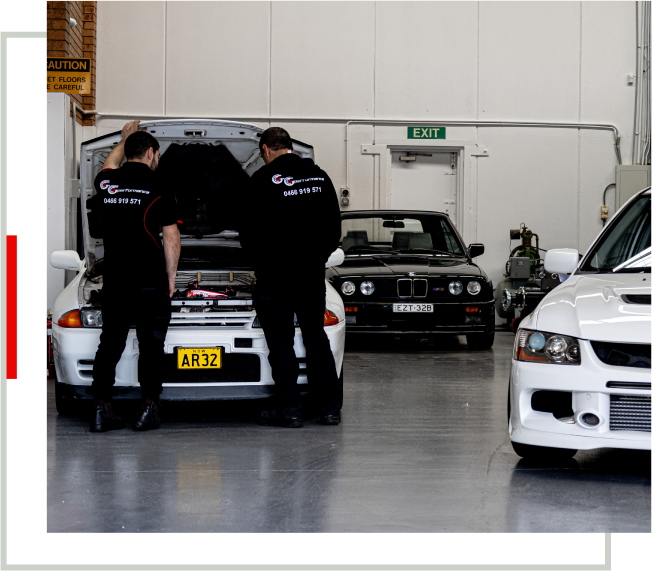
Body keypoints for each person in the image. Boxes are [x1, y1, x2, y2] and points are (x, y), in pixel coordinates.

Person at [239, 127, 343, 428]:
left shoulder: (261, 180)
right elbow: (333, 229)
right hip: (310, 276)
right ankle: (329, 409)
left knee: (281, 345)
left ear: (265, 150)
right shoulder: (319, 178)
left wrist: (263, 264)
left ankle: (291, 411)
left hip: (275, 278)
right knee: (316, 339)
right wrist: (314, 260)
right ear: (290, 147)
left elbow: (248, 234)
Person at [89, 121, 180, 433]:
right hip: (149, 280)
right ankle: (148, 409)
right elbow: (171, 239)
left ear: (128, 152)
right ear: (152, 153)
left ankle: (102, 409)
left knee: (110, 343)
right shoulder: (159, 186)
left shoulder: (107, 183)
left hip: (115, 279)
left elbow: (110, 163)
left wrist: (124, 140)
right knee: (151, 345)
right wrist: (171, 278)